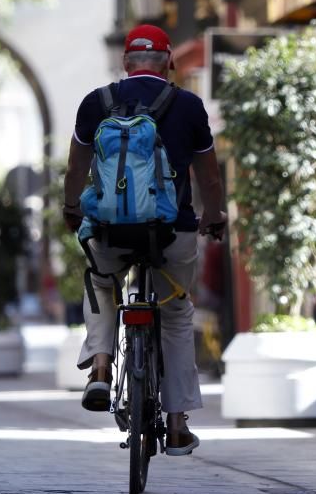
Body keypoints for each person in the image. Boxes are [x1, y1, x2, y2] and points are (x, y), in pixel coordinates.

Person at [61, 24, 227, 457]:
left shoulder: (95, 103)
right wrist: (214, 215)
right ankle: (175, 425)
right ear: (169, 62)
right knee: (175, 313)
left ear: (125, 63)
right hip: (174, 232)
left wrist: (71, 208)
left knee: (100, 282)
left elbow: (76, 168)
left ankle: (100, 366)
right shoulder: (189, 106)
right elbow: (208, 174)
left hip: (110, 230)